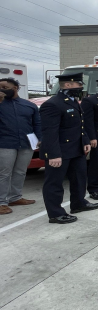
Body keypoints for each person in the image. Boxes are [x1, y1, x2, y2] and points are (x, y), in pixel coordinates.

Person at [39, 72, 98, 224]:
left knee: (79, 178)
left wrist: (85, 140)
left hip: (76, 148)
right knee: (54, 183)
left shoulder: (73, 101)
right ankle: (55, 213)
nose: (81, 87)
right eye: (78, 84)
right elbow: (50, 132)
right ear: (67, 85)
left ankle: (78, 203)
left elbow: (79, 125)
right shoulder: (52, 104)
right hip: (60, 151)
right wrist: (53, 154)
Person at [0, 77, 40, 215]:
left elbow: (37, 123)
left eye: (5, 87)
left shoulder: (29, 105)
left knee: (20, 171)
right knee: (4, 173)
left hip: (26, 143)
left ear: (15, 88)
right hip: (5, 143)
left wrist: (40, 138)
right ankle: (1, 202)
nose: (2, 90)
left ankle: (15, 197)